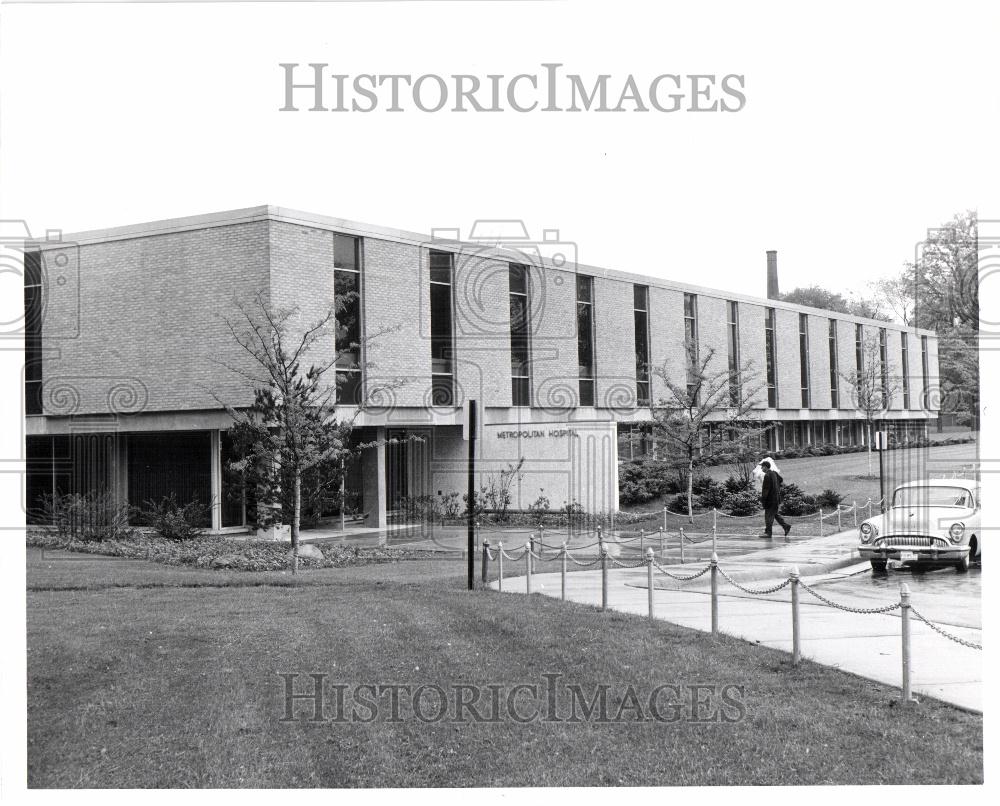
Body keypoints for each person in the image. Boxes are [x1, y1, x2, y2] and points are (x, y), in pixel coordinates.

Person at [759, 459, 791, 539]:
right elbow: (781, 480)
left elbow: (765, 491)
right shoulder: (774, 473)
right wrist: (776, 487)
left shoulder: (767, 476)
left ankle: (768, 533)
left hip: (770, 500)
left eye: (762, 467)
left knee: (768, 516)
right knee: (775, 515)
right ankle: (786, 526)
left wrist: (763, 500)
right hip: (776, 499)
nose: (761, 469)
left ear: (765, 467)